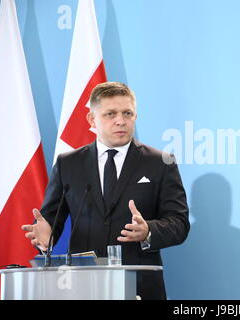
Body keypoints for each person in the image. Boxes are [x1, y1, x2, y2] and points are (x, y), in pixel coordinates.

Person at [22, 82, 190, 299]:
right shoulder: (68, 164)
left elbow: (180, 223)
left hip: (140, 285)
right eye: (110, 114)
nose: (120, 120)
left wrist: (148, 230)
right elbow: (50, 223)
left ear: (135, 116)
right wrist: (46, 238)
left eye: (127, 113)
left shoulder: (160, 163)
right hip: (82, 287)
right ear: (92, 120)